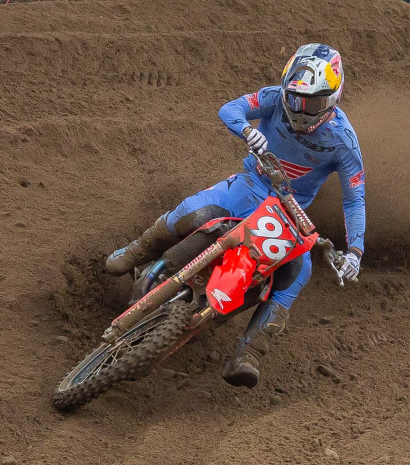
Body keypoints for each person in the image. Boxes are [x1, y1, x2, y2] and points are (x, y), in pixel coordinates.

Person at [103, 44, 365, 384]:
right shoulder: (274, 98)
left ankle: (249, 352)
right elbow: (231, 108)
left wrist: (355, 251)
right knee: (194, 212)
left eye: (311, 104)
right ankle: (137, 250)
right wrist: (246, 129)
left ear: (332, 99)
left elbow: (354, 199)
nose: (301, 111)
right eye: (295, 99)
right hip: (251, 184)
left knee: (299, 272)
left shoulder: (344, 140)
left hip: (290, 210)